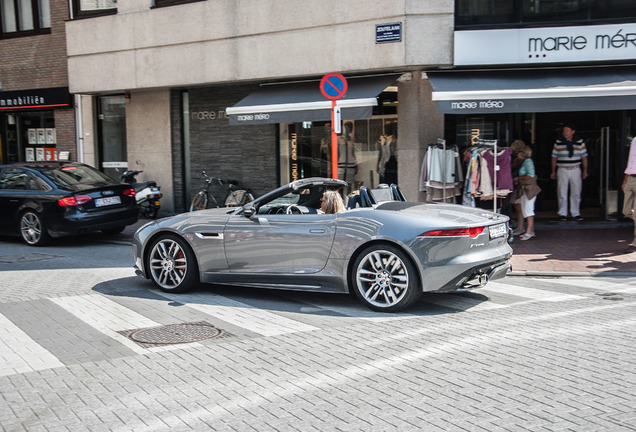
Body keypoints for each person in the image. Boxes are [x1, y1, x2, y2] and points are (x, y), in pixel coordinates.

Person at [550, 123, 588, 221]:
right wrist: (553, 171)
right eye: (564, 131)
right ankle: (562, 213)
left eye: (567, 131)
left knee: (576, 191)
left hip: (575, 168)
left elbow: (584, 157)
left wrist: (585, 170)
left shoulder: (580, 142)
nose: (565, 133)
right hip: (562, 169)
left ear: (573, 131)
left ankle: (575, 213)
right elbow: (554, 157)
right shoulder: (558, 142)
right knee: (562, 191)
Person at [511, 144, 541, 241]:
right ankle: (528, 230)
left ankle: (529, 231)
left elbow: (531, 175)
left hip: (529, 188)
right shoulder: (524, 161)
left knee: (528, 210)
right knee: (525, 208)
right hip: (524, 188)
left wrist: (518, 178)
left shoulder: (528, 161)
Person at [622, 134, 636, 251]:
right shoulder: (635, 140)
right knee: (625, 211)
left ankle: (635, 242)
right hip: (631, 177)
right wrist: (625, 179)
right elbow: (631, 160)